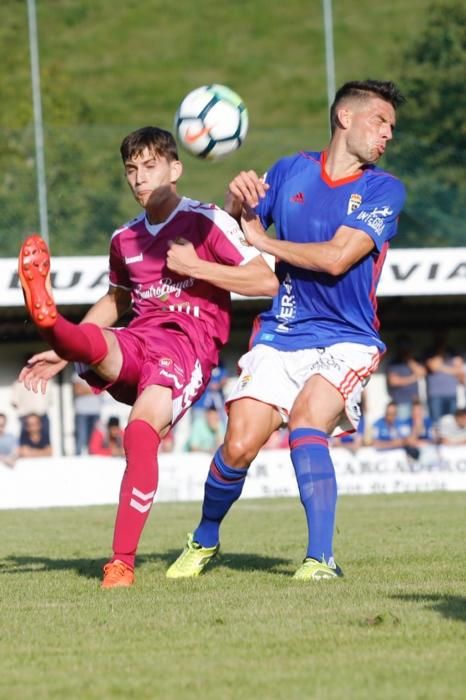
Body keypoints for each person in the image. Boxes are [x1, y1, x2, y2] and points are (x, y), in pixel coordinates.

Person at [17, 126, 278, 588]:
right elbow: (117, 301)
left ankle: (120, 564)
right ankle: (54, 327)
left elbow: (265, 281)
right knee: (101, 343)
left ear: (175, 169)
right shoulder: (125, 239)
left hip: (189, 342)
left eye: (150, 166)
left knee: (140, 433)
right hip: (141, 333)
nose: (139, 179)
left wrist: (196, 267)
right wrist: (61, 356)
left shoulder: (207, 221)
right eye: (131, 170)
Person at [167, 79, 407, 581]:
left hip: (347, 336)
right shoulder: (290, 170)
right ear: (345, 118)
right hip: (283, 329)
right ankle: (204, 538)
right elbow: (235, 235)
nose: (387, 134)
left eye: (391, 127)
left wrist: (264, 241)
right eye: (379, 121)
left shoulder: (383, 188)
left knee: (305, 421)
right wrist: (237, 203)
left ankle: (320, 559)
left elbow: (339, 258)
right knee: (238, 444)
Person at [424, 332, 465, 424]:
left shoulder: (453, 351)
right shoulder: (430, 351)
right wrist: (440, 351)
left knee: (452, 423)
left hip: (451, 394)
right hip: (435, 395)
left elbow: (459, 371)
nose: (441, 339)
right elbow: (433, 367)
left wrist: (441, 367)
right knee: (436, 423)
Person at [386, 334, 426, 420]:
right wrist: (414, 377)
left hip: (415, 402)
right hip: (401, 401)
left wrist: (408, 360)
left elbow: (422, 373)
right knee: (403, 428)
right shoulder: (394, 363)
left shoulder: (414, 361)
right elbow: (394, 381)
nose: (404, 349)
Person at [72, 372, 104, 455]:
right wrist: (95, 389)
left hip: (96, 411)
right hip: (82, 411)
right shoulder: (78, 373)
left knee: (94, 441)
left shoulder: (99, 373)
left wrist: (85, 389)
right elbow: (78, 390)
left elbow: (103, 390)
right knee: (81, 439)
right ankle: (77, 461)